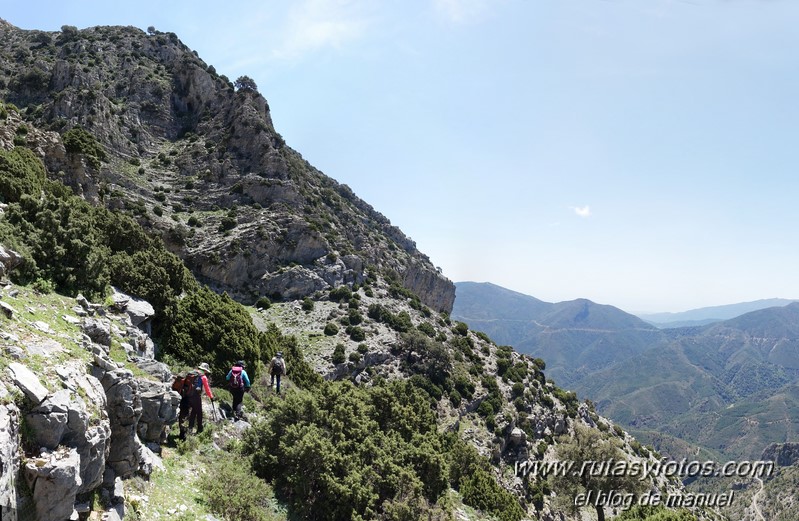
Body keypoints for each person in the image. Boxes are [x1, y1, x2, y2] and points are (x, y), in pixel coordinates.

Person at [178, 362, 214, 439]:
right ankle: (199, 429)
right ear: (205, 370)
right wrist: (211, 396)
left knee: (186, 413)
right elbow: (207, 388)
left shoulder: (191, 373)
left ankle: (186, 429)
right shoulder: (203, 376)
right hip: (195, 396)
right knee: (199, 412)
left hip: (186, 395)